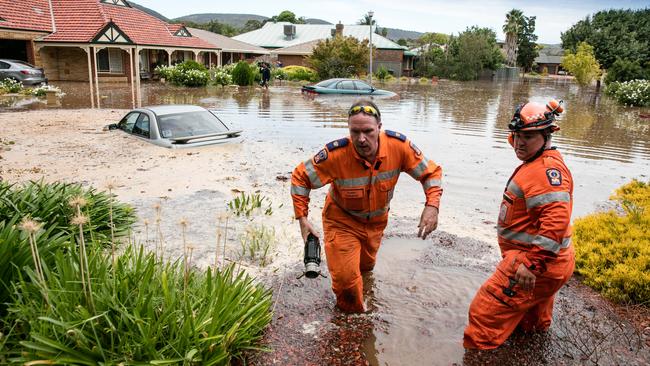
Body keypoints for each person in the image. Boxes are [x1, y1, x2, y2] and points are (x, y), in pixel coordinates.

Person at [290, 99, 443, 313]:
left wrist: (432, 206)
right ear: (349, 130)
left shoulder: (399, 147)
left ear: (379, 127)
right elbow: (299, 178)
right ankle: (352, 328)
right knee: (347, 284)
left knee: (365, 270)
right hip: (341, 222)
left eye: (368, 131)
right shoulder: (335, 155)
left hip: (376, 225)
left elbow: (431, 173)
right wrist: (302, 219)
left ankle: (364, 304)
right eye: (355, 132)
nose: (361, 139)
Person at [463, 99, 575, 349]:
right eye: (516, 136)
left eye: (528, 136)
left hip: (533, 263)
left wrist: (532, 265)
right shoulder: (539, 162)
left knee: (485, 316)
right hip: (552, 263)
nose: (519, 142)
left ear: (547, 135)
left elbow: (555, 222)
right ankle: (532, 349)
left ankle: (479, 354)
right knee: (532, 323)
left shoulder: (544, 172)